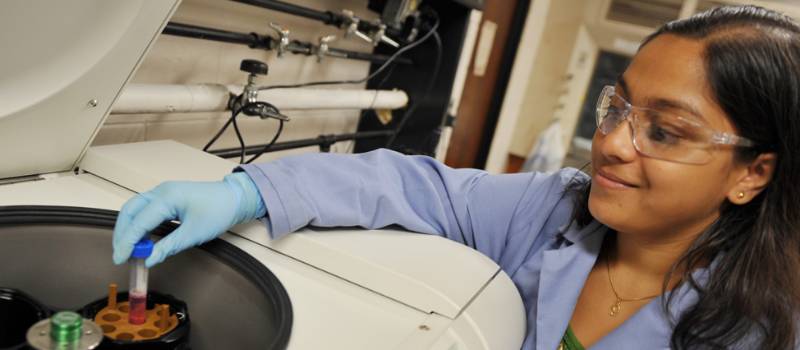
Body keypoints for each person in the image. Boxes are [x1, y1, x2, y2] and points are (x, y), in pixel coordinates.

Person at [112, 5, 800, 349]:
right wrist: (247, 190)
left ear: (753, 173)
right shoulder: (556, 208)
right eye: (618, 107)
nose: (614, 143)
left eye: (665, 132)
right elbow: (419, 186)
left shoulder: (769, 327)